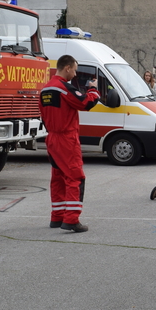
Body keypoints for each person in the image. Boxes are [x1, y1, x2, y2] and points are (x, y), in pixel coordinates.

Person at [39, 54, 100, 233]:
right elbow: (85, 103)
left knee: (58, 178)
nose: (74, 74)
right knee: (75, 177)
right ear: (67, 68)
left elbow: (43, 115)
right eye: (74, 70)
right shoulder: (64, 88)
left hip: (52, 138)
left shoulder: (45, 89)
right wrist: (93, 90)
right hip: (66, 139)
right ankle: (71, 219)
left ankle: (57, 216)